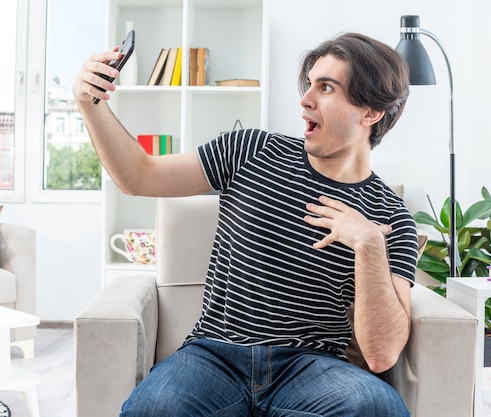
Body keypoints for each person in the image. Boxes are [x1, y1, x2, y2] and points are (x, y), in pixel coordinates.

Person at [74, 32, 419, 417]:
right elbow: (140, 176)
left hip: (312, 367)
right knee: (151, 409)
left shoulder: (390, 215)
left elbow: (381, 353)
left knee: (378, 407)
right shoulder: (252, 150)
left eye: (326, 88)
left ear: (371, 112)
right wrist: (91, 105)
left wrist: (369, 245)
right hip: (214, 355)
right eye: (309, 85)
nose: (305, 100)